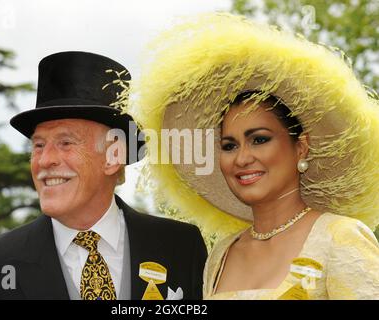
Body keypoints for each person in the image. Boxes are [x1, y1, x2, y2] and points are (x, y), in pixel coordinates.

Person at [130, 13, 379, 299]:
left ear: (302, 147)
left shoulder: (340, 238)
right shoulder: (221, 254)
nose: (242, 158)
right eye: (229, 145)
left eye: (259, 140)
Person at [0, 51, 207, 300]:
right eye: (38, 146)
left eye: (66, 142)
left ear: (113, 155)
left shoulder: (182, 247)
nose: (45, 160)